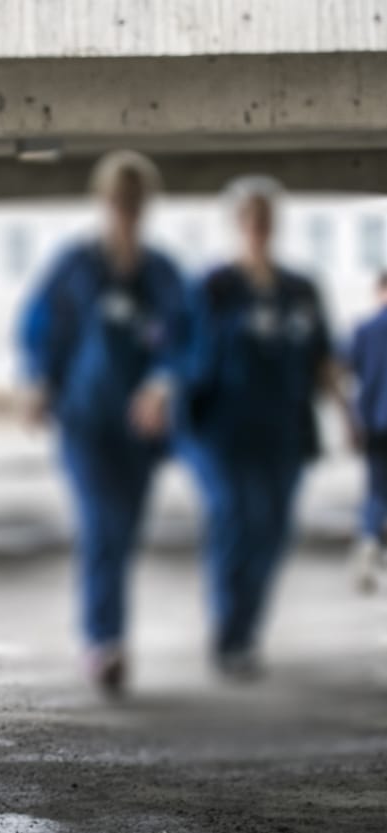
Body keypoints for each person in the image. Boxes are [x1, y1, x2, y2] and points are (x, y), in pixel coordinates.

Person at [18, 150, 185, 697]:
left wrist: (162, 384)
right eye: (118, 200)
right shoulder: (77, 267)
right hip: (86, 421)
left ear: (146, 205)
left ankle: (106, 635)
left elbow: (186, 339)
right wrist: (40, 382)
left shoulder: (160, 274)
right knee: (101, 526)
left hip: (142, 432)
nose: (126, 211)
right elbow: (42, 326)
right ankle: (104, 642)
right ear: (103, 202)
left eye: (135, 201)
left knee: (125, 530)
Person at [177, 176, 351, 679]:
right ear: (238, 226)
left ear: (275, 226)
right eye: (250, 220)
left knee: (273, 532)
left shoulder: (301, 289)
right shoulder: (214, 287)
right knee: (236, 520)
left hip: (284, 434)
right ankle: (229, 636)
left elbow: (323, 361)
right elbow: (181, 354)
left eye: (266, 219)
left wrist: (348, 413)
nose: (258, 228)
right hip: (223, 433)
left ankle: (246, 633)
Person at [345, 271, 387, 593]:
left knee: (375, 490)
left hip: (374, 421)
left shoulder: (365, 329)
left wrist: (350, 420)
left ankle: (368, 549)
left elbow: (344, 370)